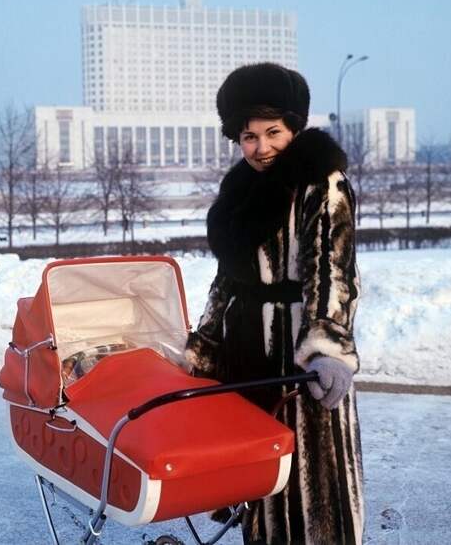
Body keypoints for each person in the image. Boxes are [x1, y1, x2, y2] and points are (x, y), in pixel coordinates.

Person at [185, 63, 363, 545]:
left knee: (310, 490)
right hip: (246, 352)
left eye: (273, 132)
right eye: (248, 136)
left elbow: (332, 270)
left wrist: (328, 346)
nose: (261, 147)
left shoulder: (321, 183)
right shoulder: (239, 190)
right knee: (259, 485)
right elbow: (228, 279)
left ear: (294, 127)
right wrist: (202, 346)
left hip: (299, 358)